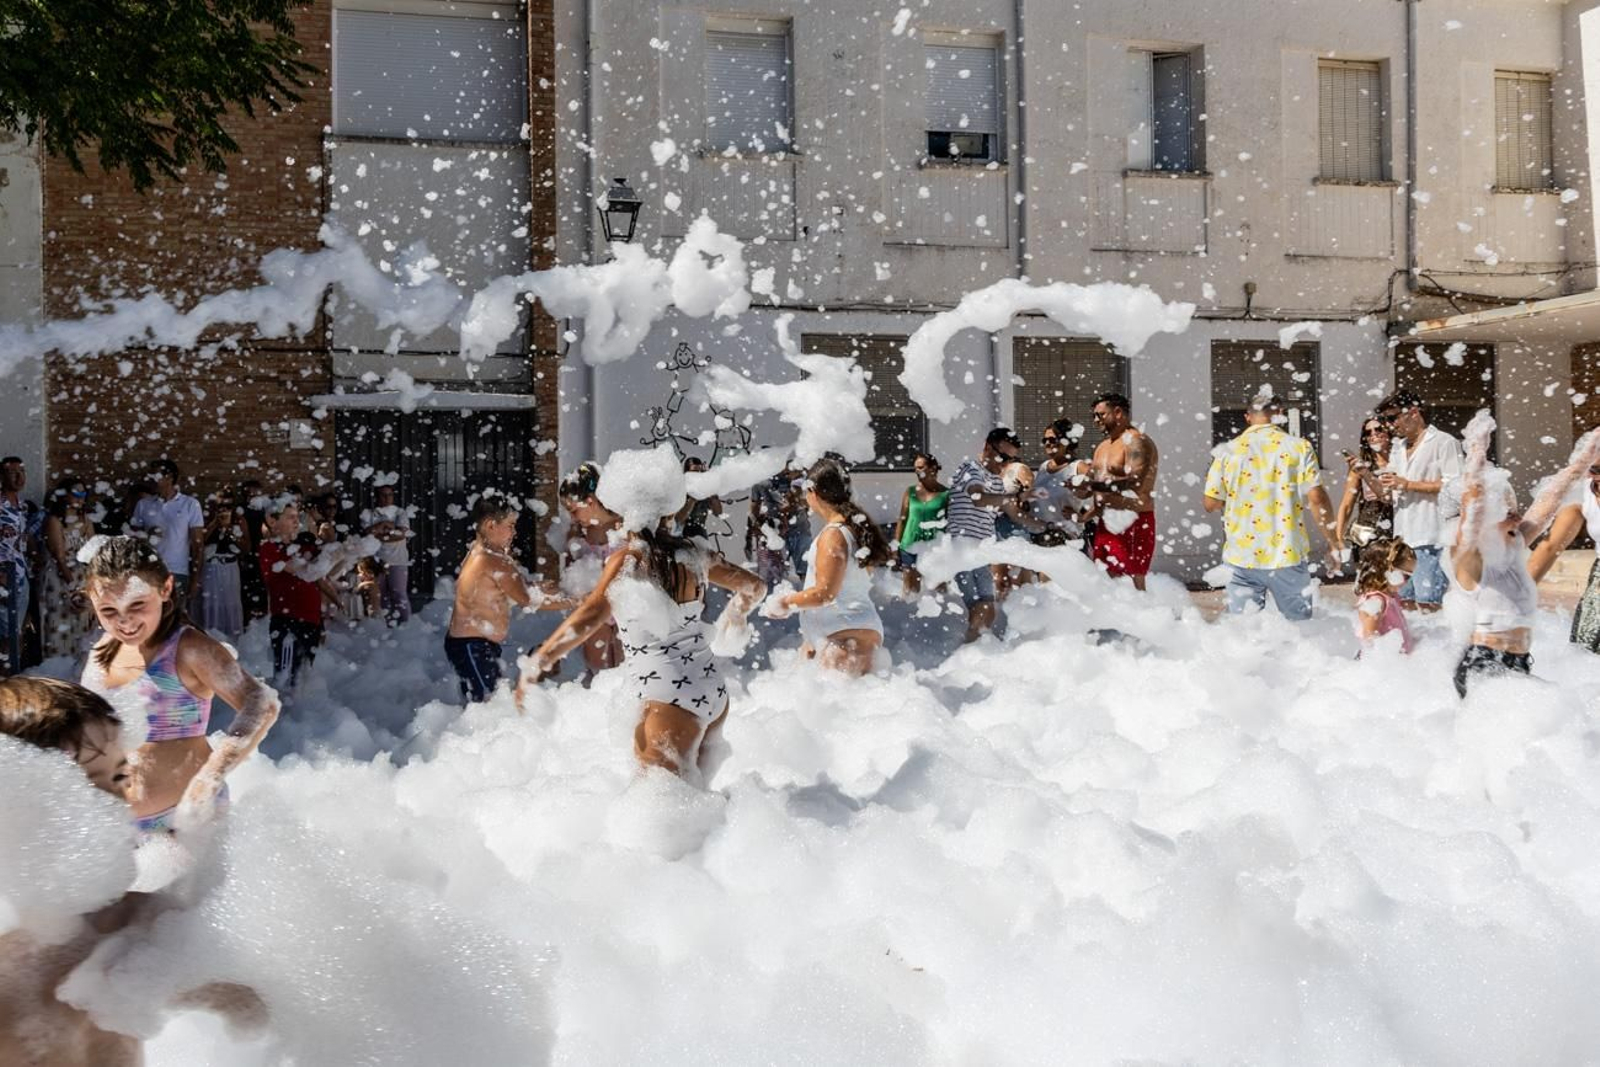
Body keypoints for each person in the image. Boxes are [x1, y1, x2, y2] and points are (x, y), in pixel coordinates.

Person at [0, 676, 268, 1066]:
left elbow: (256, 1006)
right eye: (85, 788)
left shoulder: (132, 925)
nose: (117, 804)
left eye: (119, 779)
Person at [519, 480, 765, 781]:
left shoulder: (631, 559)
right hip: (710, 688)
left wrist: (538, 661)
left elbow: (593, 613)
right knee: (693, 809)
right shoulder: (695, 554)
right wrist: (735, 617)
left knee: (663, 816)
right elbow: (756, 587)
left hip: (668, 695)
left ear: (628, 514)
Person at [80, 535, 280, 834]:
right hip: (116, 829)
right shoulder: (102, 651)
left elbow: (262, 703)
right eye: (108, 611)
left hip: (181, 822)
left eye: (137, 604)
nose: (124, 621)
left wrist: (210, 776)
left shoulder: (188, 648)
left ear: (166, 588)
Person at [1451, 417, 1600, 696]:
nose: (1518, 516)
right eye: (1509, 513)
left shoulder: (1509, 548)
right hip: (1483, 665)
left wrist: (1580, 465)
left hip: (1516, 662)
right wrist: (1476, 456)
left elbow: (1548, 502)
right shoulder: (1472, 561)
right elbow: (1470, 513)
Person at [1203, 392, 1342, 621]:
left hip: (1241, 557)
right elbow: (1316, 498)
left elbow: (1211, 503)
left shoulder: (1228, 451)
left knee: (1244, 631)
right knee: (1301, 629)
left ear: (1248, 417)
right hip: (1286, 554)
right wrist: (1333, 541)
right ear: (1280, 415)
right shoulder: (1299, 447)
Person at [768, 458, 892, 675]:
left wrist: (785, 602)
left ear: (813, 492)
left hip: (844, 636)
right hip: (852, 631)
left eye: (804, 490)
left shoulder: (834, 535)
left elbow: (825, 594)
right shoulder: (855, 530)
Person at [445, 495, 570, 704]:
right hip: (470, 645)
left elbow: (512, 588)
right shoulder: (489, 559)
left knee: (485, 700)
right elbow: (527, 600)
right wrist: (576, 602)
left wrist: (539, 587)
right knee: (487, 703)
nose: (514, 532)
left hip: (475, 644)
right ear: (491, 525)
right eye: (510, 526)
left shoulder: (485, 554)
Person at [1374, 391, 1463, 612]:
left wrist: (1407, 484)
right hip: (1402, 542)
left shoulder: (1444, 442)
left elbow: (1456, 487)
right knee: (1403, 607)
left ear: (1413, 412)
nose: (1389, 425)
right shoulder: (1398, 447)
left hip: (1431, 537)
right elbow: (1390, 494)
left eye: (1392, 418)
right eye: (1385, 420)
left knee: (1429, 605)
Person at [946, 428, 1032, 643]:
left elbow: (1012, 511)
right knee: (979, 611)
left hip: (981, 556)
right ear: (986, 447)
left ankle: (973, 654)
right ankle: (967, 656)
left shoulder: (995, 480)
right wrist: (1011, 497)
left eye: (1011, 460)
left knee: (989, 611)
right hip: (962, 553)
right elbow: (978, 497)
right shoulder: (970, 469)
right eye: (1002, 457)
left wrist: (1045, 526)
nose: (1005, 465)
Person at [1077, 393, 1159, 591]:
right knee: (1107, 579)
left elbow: (1135, 481)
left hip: (1134, 518)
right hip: (1107, 521)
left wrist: (1094, 487)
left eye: (1101, 415)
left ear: (1118, 412)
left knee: (1132, 581)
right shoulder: (1102, 447)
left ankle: (1144, 619)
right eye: (1094, 416)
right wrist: (1080, 489)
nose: (1096, 420)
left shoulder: (1136, 441)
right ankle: (1115, 621)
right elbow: (1095, 485)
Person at [258, 497, 340, 690]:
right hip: (288, 621)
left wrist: (335, 599)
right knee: (286, 678)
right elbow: (307, 571)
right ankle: (283, 716)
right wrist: (332, 554)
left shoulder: (303, 547)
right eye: (290, 517)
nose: (297, 521)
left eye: (297, 517)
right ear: (272, 521)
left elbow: (322, 573)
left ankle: (301, 716)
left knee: (305, 677)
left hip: (311, 619)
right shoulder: (269, 548)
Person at [560, 462, 625, 685]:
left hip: (625, 606)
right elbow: (571, 572)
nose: (573, 517)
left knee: (627, 671)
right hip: (595, 606)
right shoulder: (579, 531)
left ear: (590, 501)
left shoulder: (626, 525)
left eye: (574, 510)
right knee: (599, 674)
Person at [1529, 452, 1600, 652]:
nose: (1594, 474)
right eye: (1592, 469)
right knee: (1587, 649)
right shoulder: (1583, 495)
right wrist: (1515, 595)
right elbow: (1550, 547)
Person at [130, 459, 206, 610]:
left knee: (174, 619)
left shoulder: (190, 504)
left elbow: (198, 545)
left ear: (170, 477)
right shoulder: (143, 504)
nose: (151, 479)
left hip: (177, 571)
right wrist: (146, 535)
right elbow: (132, 541)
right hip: (148, 572)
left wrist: (195, 579)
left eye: (156, 475)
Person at [40, 478, 97, 661]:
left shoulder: (85, 521)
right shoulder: (54, 520)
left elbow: (94, 552)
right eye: (76, 493)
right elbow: (59, 557)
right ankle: (57, 669)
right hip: (59, 579)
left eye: (84, 494)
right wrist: (72, 587)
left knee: (82, 625)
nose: (81, 498)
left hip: (82, 576)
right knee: (59, 628)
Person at [0, 455, 42, 675]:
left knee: (17, 632)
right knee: (5, 632)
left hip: (21, 574)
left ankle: (10, 678)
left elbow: (25, 536)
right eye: (12, 472)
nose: (18, 477)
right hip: (3, 575)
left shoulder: (23, 506)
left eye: (22, 472)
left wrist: (35, 556)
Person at [891, 451, 949, 596]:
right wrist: (895, 545)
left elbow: (951, 523)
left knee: (939, 591)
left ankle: (943, 619)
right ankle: (907, 617)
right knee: (911, 590)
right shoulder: (910, 491)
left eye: (921, 467)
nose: (917, 471)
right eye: (915, 468)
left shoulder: (946, 494)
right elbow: (902, 519)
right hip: (910, 544)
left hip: (935, 547)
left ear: (933, 468)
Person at [1333, 417, 1395, 551]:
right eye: (1368, 432)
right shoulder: (1360, 468)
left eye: (1378, 429)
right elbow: (1346, 505)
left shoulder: (1401, 463)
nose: (1373, 434)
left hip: (1398, 531)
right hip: (1366, 532)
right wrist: (1337, 540)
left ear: (1389, 432)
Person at [746, 467, 809, 586]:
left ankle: (810, 599)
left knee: (807, 572)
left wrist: (796, 497)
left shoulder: (799, 479)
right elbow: (753, 513)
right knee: (771, 577)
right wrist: (758, 533)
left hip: (799, 530)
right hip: (775, 533)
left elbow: (808, 503)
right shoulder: (761, 483)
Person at [1353, 539, 1417, 654]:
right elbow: (1369, 636)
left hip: (1397, 662)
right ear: (1385, 571)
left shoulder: (1390, 596)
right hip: (1380, 663)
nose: (1407, 581)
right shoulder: (1376, 601)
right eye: (1406, 576)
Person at [361, 483, 412, 625]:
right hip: (377, 561)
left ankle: (407, 626)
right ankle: (387, 626)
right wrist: (386, 527)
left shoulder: (400, 513)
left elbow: (401, 534)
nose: (387, 498)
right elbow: (367, 533)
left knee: (399, 594)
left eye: (390, 495)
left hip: (398, 560)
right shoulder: (371, 514)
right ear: (377, 497)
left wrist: (380, 533)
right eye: (383, 495)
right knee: (381, 595)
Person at [197, 489, 246, 639]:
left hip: (230, 566)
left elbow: (247, 547)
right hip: (211, 566)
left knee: (230, 604)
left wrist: (230, 530)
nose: (224, 510)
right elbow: (198, 541)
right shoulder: (206, 518)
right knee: (211, 604)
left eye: (228, 506)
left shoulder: (239, 520)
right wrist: (214, 523)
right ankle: (211, 638)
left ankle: (232, 640)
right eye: (220, 506)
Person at [1034, 418, 1088, 546]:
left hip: (1067, 539)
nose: (1048, 443)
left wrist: (1083, 516)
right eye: (1045, 440)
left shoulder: (1078, 467)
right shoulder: (1043, 467)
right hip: (1039, 536)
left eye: (1053, 440)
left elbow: (1100, 494)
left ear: (1067, 441)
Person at [675, 456, 725, 543]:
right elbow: (679, 520)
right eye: (694, 472)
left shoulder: (704, 489)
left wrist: (712, 492)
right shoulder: (680, 490)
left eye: (699, 472)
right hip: (680, 534)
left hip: (699, 533)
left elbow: (718, 513)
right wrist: (693, 499)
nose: (697, 475)